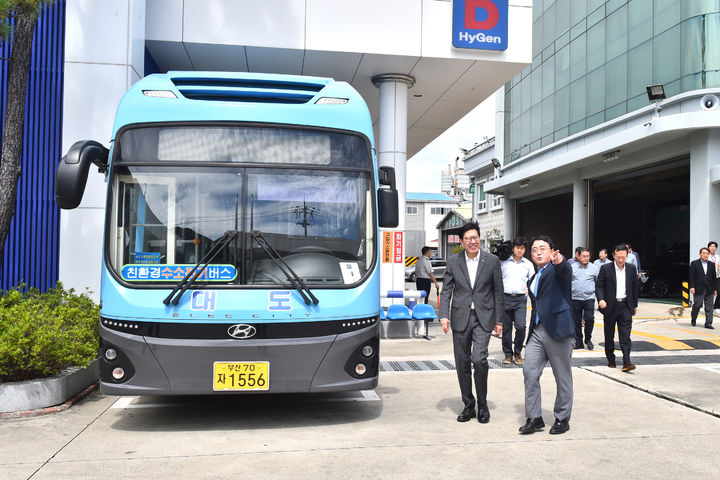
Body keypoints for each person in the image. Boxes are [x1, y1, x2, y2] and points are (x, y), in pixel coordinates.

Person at [440, 222, 504, 424]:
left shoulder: (492, 261)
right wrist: (443, 315)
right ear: (462, 241)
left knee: (479, 359)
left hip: (483, 318)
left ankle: (482, 404)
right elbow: (446, 290)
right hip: (460, 317)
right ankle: (468, 405)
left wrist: (499, 320)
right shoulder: (453, 261)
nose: (473, 241)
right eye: (468, 238)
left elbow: (498, 292)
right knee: (462, 363)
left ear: (479, 238)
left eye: (475, 237)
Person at [518, 235, 574, 436]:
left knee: (562, 376)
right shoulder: (535, 275)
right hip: (537, 330)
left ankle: (562, 417)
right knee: (529, 371)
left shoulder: (557, 269)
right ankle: (534, 417)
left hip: (558, 330)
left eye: (542, 248)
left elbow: (564, 269)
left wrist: (560, 261)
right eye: (534, 250)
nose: (538, 252)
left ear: (552, 251)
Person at [596, 244, 639, 372]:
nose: (621, 260)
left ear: (627, 256)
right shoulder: (605, 268)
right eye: (618, 257)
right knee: (609, 335)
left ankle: (627, 361)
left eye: (624, 257)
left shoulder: (631, 269)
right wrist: (601, 299)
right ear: (614, 255)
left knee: (625, 335)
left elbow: (635, 288)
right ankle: (611, 359)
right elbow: (599, 286)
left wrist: (635, 305)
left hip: (625, 305)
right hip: (610, 306)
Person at [501, 236, 535, 365]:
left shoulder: (528, 264)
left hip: (520, 300)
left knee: (521, 327)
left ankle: (518, 352)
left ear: (525, 250)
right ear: (513, 248)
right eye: (517, 248)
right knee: (506, 329)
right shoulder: (503, 263)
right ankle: (508, 354)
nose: (519, 250)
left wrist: (529, 292)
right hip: (505, 298)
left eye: (522, 248)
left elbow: (532, 281)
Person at [571, 247, 599, 350]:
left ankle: (588, 339)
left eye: (588, 256)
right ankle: (578, 341)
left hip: (589, 298)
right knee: (576, 321)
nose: (586, 258)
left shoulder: (594, 268)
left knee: (589, 319)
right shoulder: (572, 267)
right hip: (575, 298)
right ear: (578, 256)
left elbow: (598, 283)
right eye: (584, 256)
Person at [689, 247, 717, 329]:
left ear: (709, 255)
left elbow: (713, 277)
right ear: (700, 254)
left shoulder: (712, 264)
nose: (705, 255)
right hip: (698, 288)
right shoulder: (694, 263)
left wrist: (715, 289)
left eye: (707, 254)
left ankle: (708, 323)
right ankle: (693, 318)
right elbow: (691, 276)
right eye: (704, 253)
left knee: (709, 307)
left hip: (710, 288)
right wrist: (692, 287)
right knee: (697, 305)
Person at [708, 241, 720, 313]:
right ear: (708, 247)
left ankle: (716, 307)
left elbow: (719, 264)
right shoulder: (706, 255)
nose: (713, 247)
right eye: (711, 246)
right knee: (709, 293)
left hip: (717, 276)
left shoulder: (717, 256)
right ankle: (707, 306)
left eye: (714, 246)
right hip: (709, 277)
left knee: (719, 292)